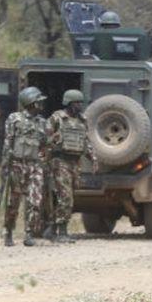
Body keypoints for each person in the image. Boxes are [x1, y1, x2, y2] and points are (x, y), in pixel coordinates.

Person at [44, 89, 98, 243]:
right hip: (60, 161)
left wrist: (93, 159)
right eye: (76, 103)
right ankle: (61, 232)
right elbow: (44, 137)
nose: (80, 105)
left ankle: (51, 229)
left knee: (69, 197)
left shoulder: (82, 120)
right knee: (65, 197)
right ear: (68, 103)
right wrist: (50, 146)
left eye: (81, 102)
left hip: (75, 162)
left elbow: (86, 142)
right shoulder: (57, 118)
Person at [2, 86, 49, 247]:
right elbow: (8, 143)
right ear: (30, 102)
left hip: (35, 165)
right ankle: (8, 231)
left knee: (35, 201)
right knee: (14, 202)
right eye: (38, 102)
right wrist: (5, 167)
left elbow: (44, 145)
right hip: (17, 164)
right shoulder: (14, 119)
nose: (41, 104)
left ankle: (29, 233)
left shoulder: (42, 122)